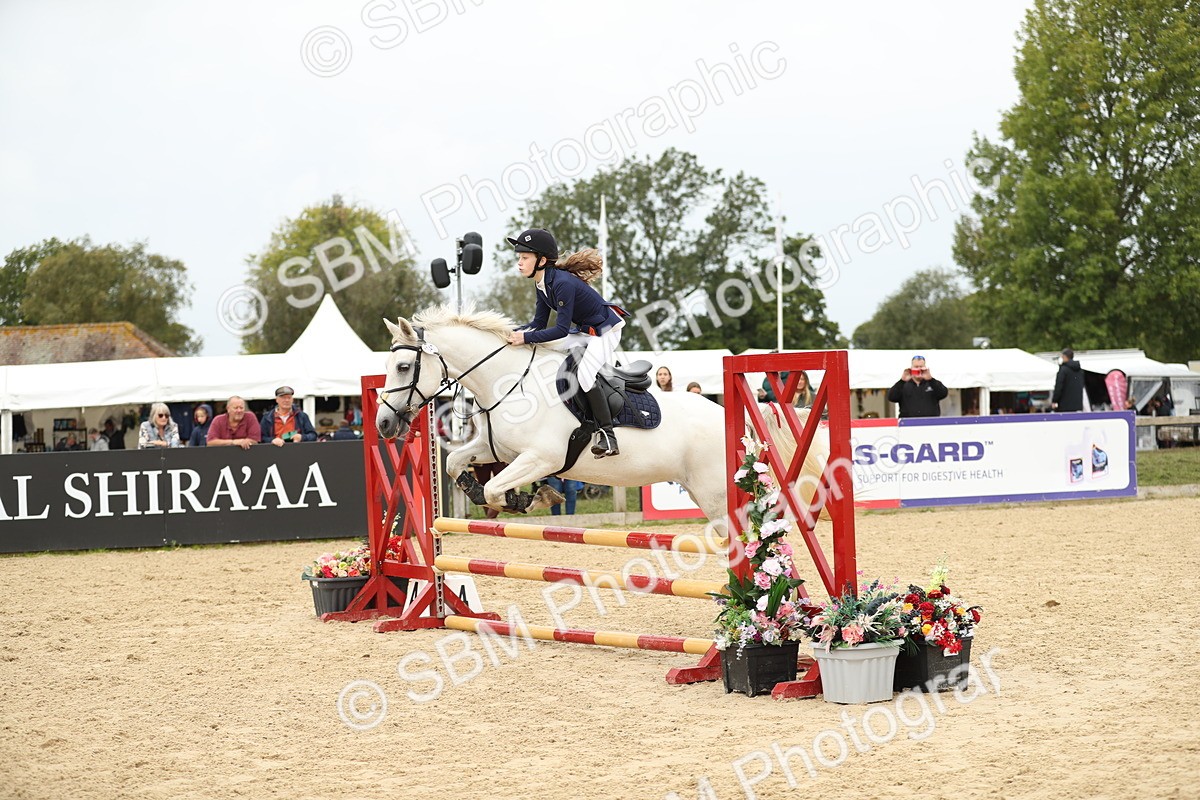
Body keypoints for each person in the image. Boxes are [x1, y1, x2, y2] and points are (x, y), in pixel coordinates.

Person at [505, 228, 626, 458]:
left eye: (524, 257)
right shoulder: (541, 284)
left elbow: (560, 330)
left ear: (541, 260)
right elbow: (538, 324)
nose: (519, 262)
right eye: (519, 257)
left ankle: (608, 435)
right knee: (540, 347)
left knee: (585, 375)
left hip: (607, 330)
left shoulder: (562, 284)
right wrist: (509, 333)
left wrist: (525, 337)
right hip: (585, 330)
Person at [1051, 348, 1085, 412]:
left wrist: (1054, 400)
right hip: (1077, 405)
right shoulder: (1080, 370)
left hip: (1064, 405)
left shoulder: (1063, 370)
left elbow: (1059, 386)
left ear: (1064, 356)